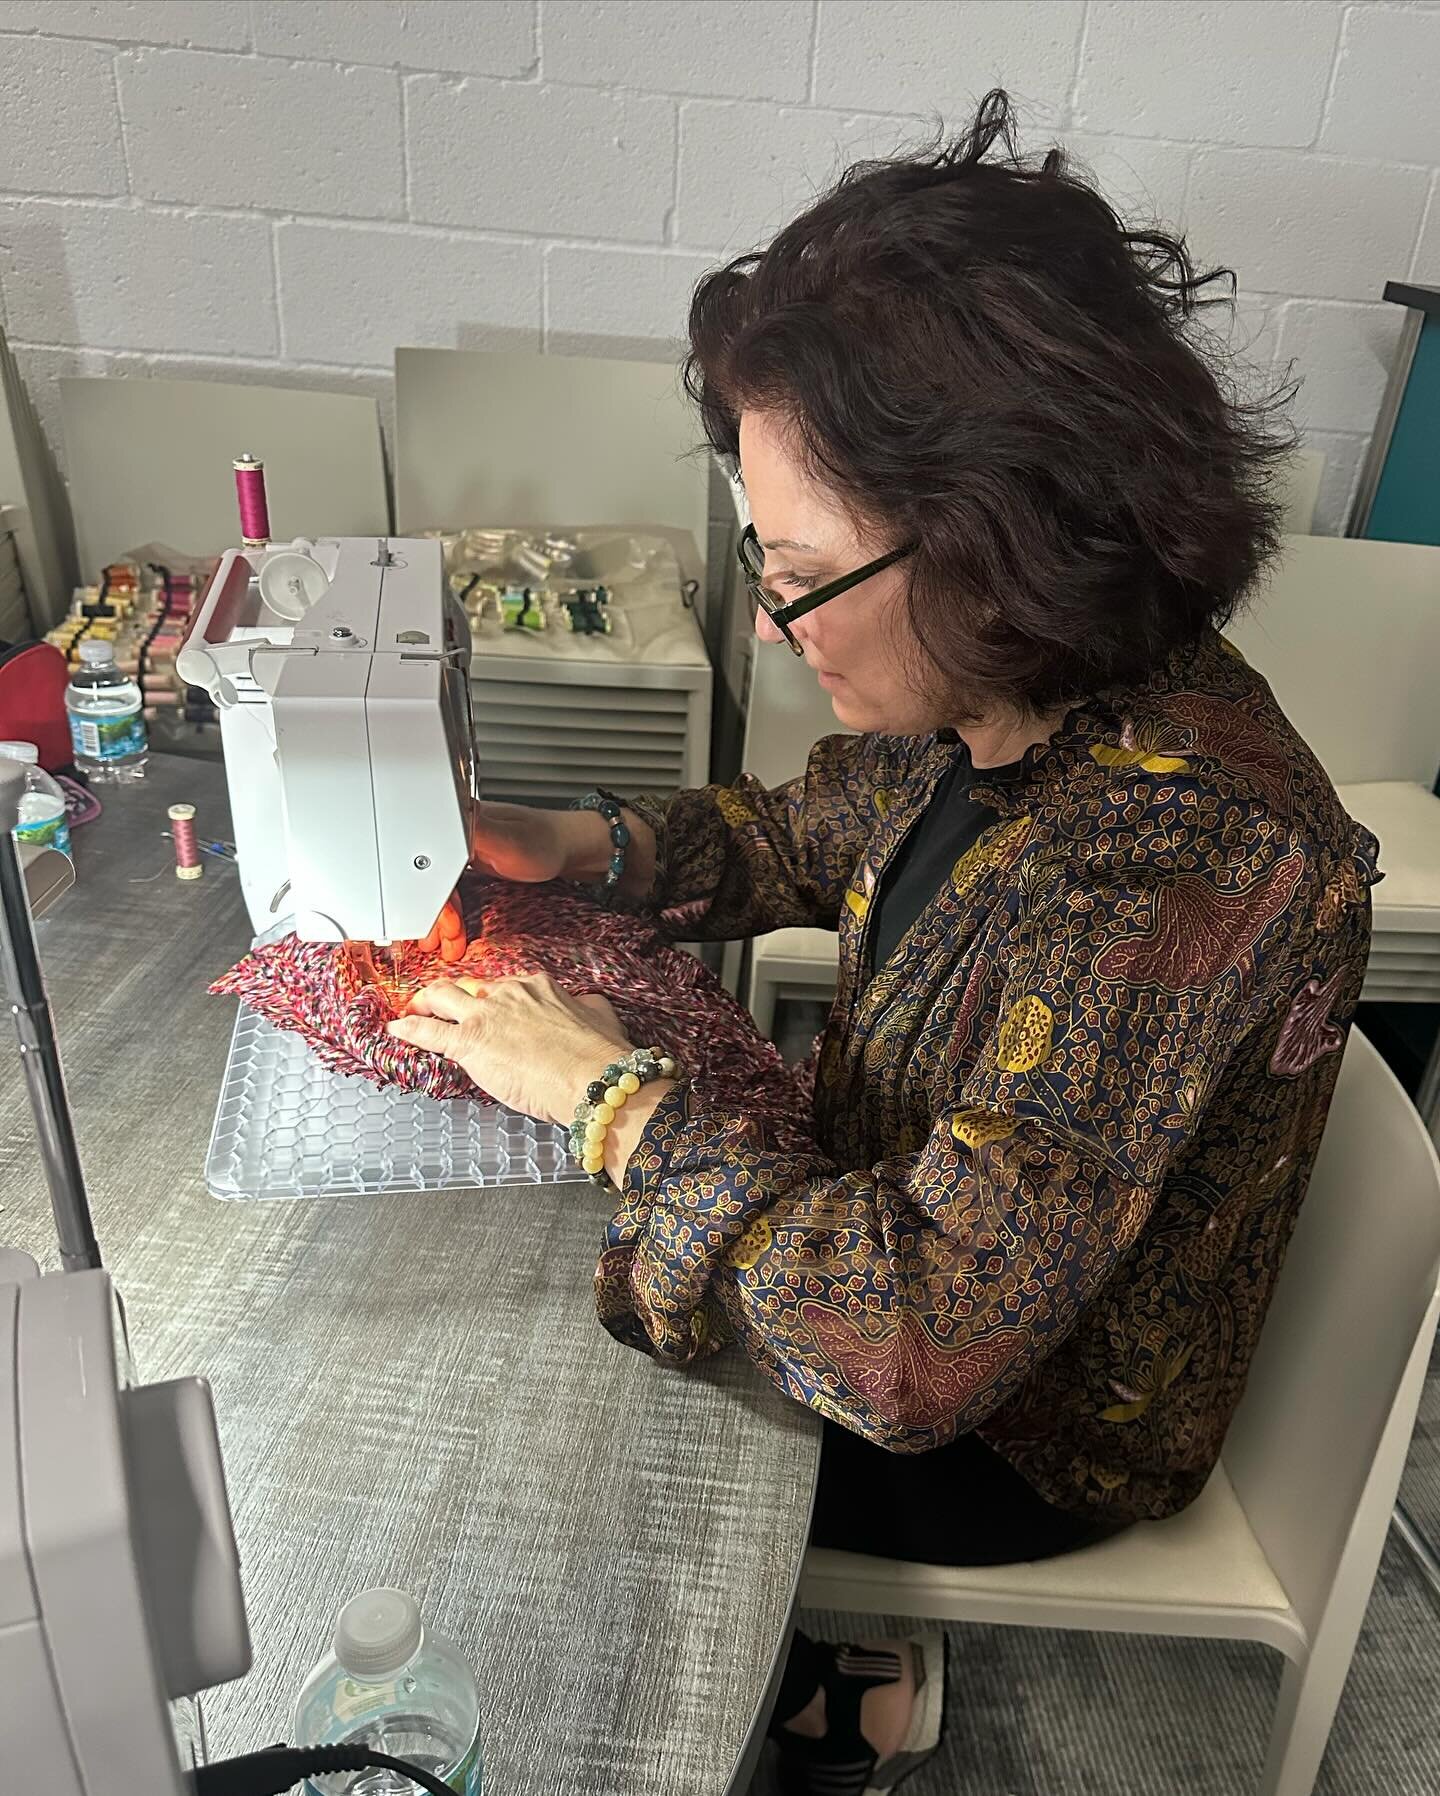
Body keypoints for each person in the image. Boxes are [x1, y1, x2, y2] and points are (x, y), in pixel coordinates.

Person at [387, 93, 1377, 1796]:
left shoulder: (1180, 862)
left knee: (525, 1408)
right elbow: (803, 833)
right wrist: (583, 846)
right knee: (524, 1259)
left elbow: (912, 1351)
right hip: (917, 1264)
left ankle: (773, 1704)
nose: (778, 628)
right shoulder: (1001, 695)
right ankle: (820, 1669)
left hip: (1024, 1429)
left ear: (1000, 537)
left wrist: (614, 1103)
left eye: (805, 576)